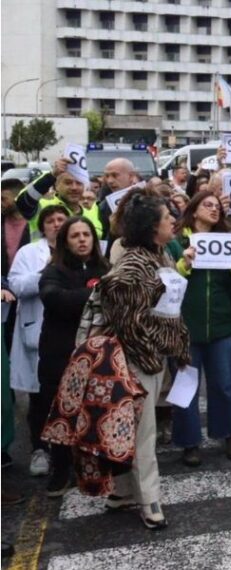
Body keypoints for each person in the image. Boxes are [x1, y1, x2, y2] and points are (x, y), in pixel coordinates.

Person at [99, 193, 191, 530]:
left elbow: (167, 309)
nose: (173, 220)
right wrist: (151, 359)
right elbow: (129, 322)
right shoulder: (132, 266)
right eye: (167, 216)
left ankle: (121, 492)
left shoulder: (160, 254)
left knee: (134, 430)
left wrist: (175, 347)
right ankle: (149, 501)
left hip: (152, 358)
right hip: (137, 362)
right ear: (152, 226)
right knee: (143, 435)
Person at [172, 192, 231, 467]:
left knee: (225, 385)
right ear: (193, 210)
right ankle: (189, 442)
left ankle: (229, 433)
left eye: (218, 207)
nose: (214, 210)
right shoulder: (176, 243)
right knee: (185, 386)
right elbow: (165, 283)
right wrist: (184, 264)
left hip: (220, 325)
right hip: (185, 328)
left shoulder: (227, 243)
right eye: (208, 205)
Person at [37, 216, 110, 496]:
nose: (82, 240)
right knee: (61, 414)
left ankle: (95, 469)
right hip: (61, 354)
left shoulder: (104, 268)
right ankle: (60, 469)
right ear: (65, 242)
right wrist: (95, 293)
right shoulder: (53, 271)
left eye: (86, 234)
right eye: (75, 236)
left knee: (96, 412)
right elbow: (55, 299)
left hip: (98, 354)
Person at [9, 205, 69, 477]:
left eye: (61, 219)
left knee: (71, 395)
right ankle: (39, 450)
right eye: (50, 221)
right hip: (39, 334)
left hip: (70, 333)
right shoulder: (29, 253)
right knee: (41, 397)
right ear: (42, 227)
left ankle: (70, 451)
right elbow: (17, 286)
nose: (56, 224)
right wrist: (46, 272)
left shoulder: (80, 246)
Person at [16, 161, 103, 240]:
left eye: (79, 183)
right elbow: (22, 202)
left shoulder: (92, 211)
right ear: (56, 186)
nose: (74, 187)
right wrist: (51, 175)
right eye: (68, 183)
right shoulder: (43, 207)